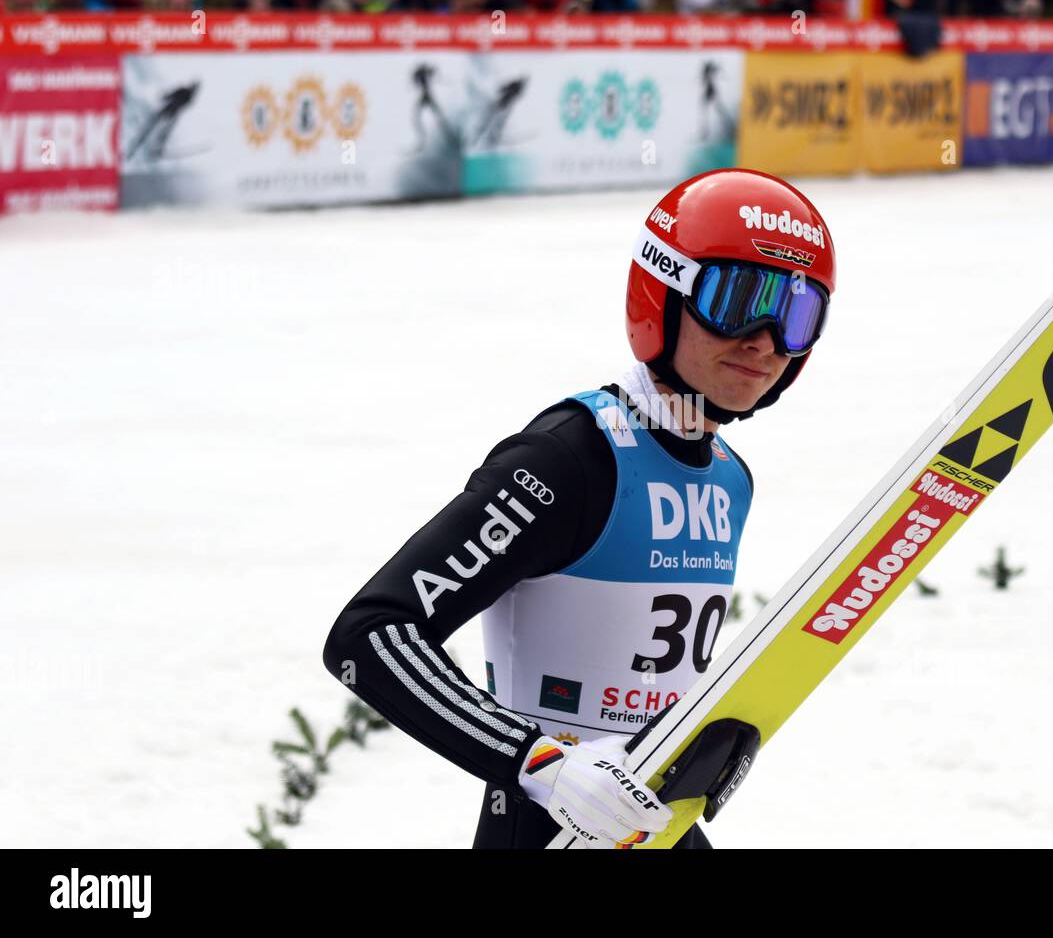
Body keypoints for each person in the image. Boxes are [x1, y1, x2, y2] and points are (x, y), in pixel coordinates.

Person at [322, 168, 837, 849]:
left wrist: (713, 739)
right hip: (543, 833)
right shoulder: (570, 461)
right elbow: (371, 635)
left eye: (798, 314)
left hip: (656, 829)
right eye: (738, 298)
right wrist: (540, 764)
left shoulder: (730, 480)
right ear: (666, 294)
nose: (767, 340)